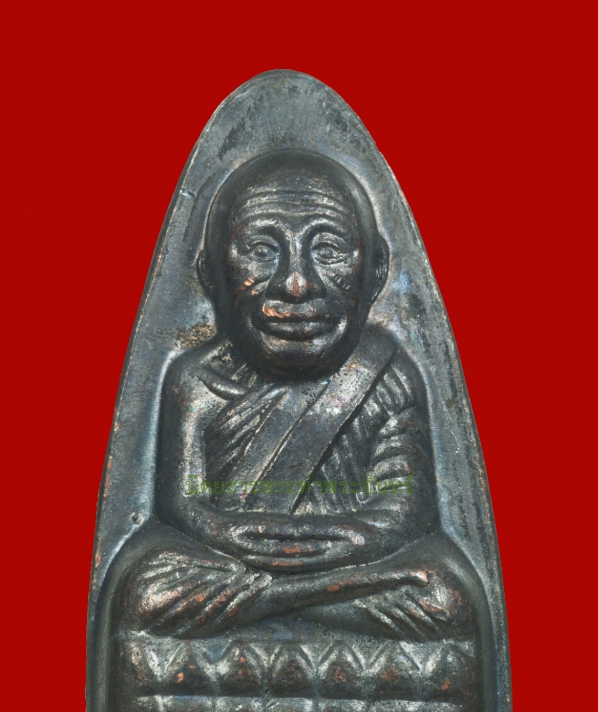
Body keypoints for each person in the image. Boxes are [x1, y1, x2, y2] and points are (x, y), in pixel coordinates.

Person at [114, 150, 478, 645]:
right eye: (261, 250)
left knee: (443, 594)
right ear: (211, 273)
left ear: (375, 272)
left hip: (345, 562)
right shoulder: (195, 380)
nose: (296, 283)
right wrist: (229, 536)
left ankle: (284, 598)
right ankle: (300, 597)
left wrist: (344, 542)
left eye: (328, 250)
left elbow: (404, 508)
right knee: (147, 588)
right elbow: (186, 504)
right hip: (246, 565)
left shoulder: (386, 373)